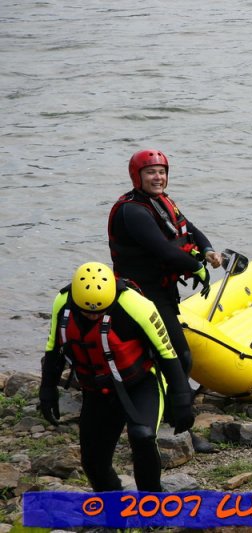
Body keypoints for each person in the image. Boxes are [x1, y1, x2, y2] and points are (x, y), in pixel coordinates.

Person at [38, 262, 195, 492]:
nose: (93, 316)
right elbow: (54, 350)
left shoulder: (136, 305)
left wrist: (181, 397)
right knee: (93, 461)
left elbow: (166, 352)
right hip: (97, 390)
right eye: (87, 311)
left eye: (100, 311)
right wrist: (47, 390)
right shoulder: (62, 302)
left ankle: (151, 503)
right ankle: (114, 507)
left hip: (140, 382)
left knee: (142, 436)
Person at [108, 149, 221, 452]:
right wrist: (196, 267)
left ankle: (170, 424)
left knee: (172, 358)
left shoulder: (163, 202)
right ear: (137, 177)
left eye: (162, 172)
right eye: (150, 173)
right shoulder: (132, 211)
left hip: (162, 292)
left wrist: (207, 249)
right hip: (140, 297)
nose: (158, 178)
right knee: (178, 357)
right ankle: (178, 428)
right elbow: (162, 249)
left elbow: (190, 230)